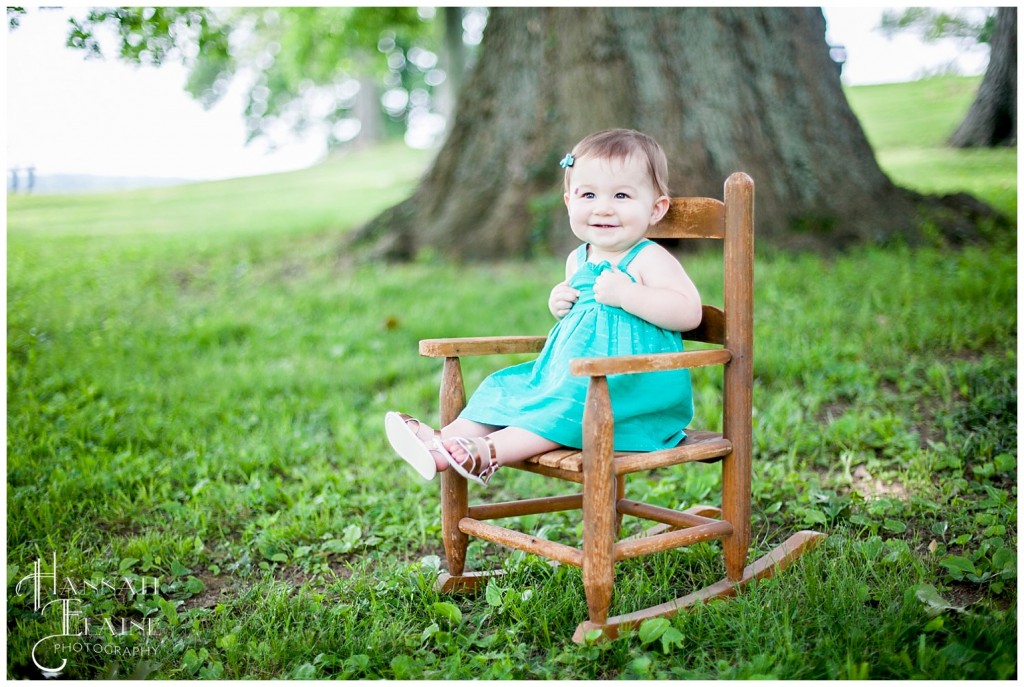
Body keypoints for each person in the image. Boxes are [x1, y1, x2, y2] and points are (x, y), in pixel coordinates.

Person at [385, 128, 702, 486]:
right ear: (569, 202)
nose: (603, 207)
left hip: (630, 390)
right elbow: (584, 320)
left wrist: (627, 294)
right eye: (588, 194)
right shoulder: (577, 259)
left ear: (656, 208)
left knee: (564, 402)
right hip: (567, 375)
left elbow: (689, 312)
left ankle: (488, 452)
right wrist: (561, 303)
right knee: (502, 385)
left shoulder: (649, 259)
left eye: (622, 195)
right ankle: (442, 442)